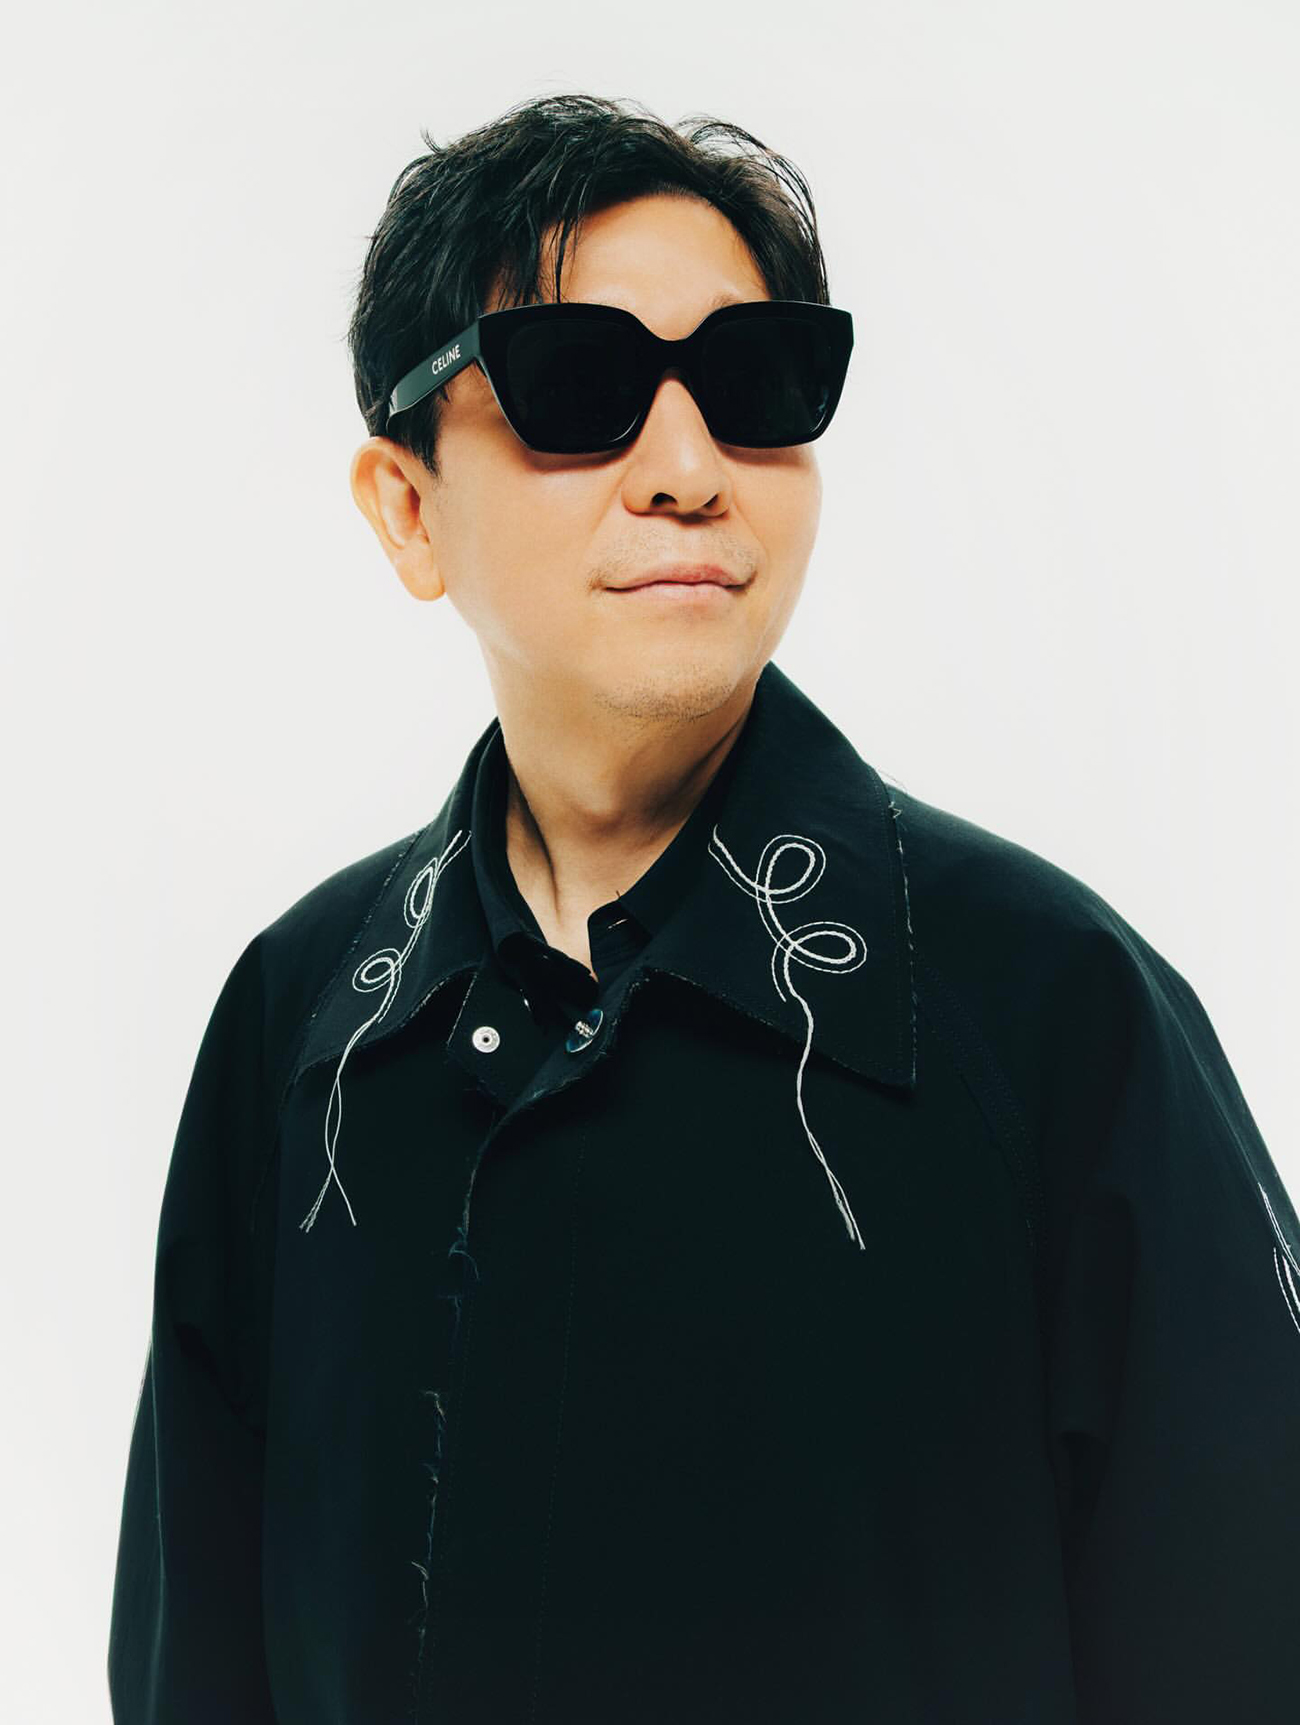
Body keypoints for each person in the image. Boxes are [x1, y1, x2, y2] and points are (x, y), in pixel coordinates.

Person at [107, 91, 1300, 1725]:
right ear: (407, 506)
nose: (687, 470)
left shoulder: (1054, 1012)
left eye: (753, 386)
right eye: (578, 387)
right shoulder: (303, 1027)